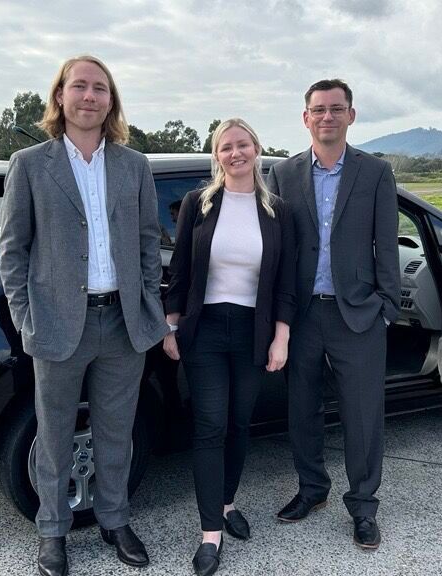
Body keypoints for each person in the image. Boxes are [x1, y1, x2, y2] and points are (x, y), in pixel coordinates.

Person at [0, 55, 167, 576]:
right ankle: (52, 532)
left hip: (122, 323)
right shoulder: (29, 164)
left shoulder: (134, 166)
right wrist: (28, 318)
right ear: (60, 97)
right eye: (80, 86)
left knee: (117, 431)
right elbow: (13, 252)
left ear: (111, 100)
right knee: (53, 434)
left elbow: (146, 245)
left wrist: (149, 307)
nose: (89, 96)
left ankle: (116, 520)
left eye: (100, 88)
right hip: (56, 324)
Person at [266, 79, 401, 550]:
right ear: (305, 117)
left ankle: (364, 506)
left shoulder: (375, 172)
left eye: (336, 109)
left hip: (358, 316)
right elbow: (275, 249)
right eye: (318, 110)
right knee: (302, 409)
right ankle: (312, 490)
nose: (327, 117)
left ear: (351, 115)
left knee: (363, 416)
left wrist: (387, 306)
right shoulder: (282, 174)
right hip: (302, 315)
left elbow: (388, 243)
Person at [163, 118, 296, 576]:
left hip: (253, 331)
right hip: (205, 332)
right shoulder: (198, 206)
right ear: (216, 155)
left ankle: (227, 502)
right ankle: (209, 535)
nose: (235, 153)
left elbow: (285, 283)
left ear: (257, 148)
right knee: (210, 426)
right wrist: (169, 325)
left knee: (241, 424)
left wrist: (281, 336)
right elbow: (180, 268)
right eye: (225, 147)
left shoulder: (278, 210)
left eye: (242, 145)